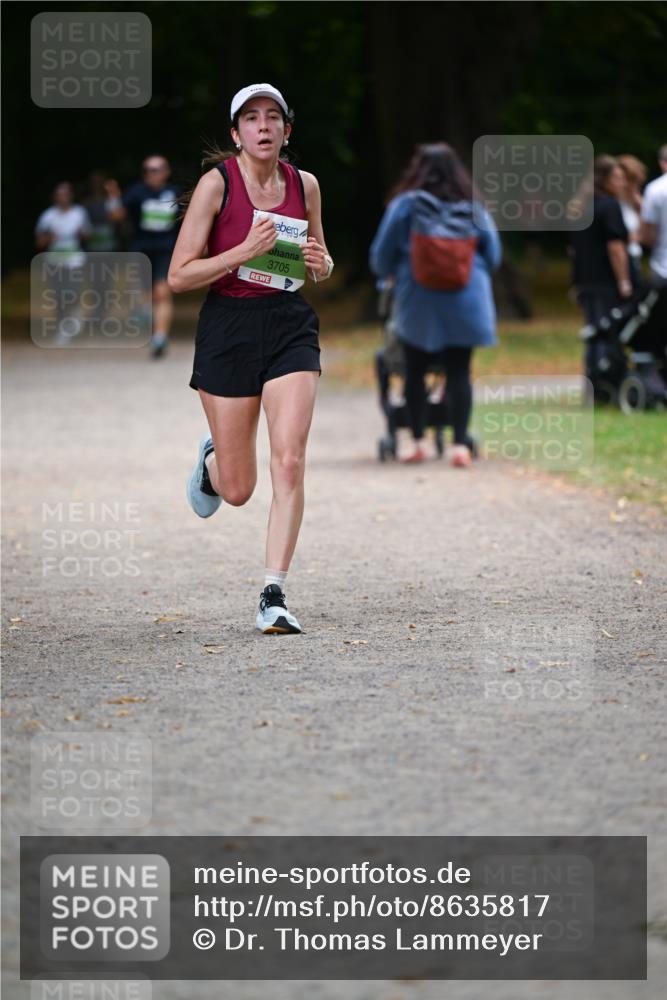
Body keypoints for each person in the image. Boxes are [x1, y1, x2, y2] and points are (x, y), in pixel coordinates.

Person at [168, 83, 333, 635]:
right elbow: (178, 275)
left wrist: (320, 262)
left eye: (273, 118)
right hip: (228, 328)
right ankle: (214, 461)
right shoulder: (217, 185)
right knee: (239, 490)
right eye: (251, 118)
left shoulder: (304, 185)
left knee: (289, 460)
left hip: (289, 325)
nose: (263, 126)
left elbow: (320, 261)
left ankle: (274, 592)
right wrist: (242, 252)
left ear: (288, 130)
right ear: (236, 133)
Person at [369, 142, 501, 466]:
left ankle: (416, 443)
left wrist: (388, 276)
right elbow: (493, 255)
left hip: (418, 299)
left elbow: (381, 257)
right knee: (459, 369)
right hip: (466, 300)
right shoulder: (473, 207)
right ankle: (459, 446)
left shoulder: (405, 206)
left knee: (414, 369)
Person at [105, 156, 181, 358]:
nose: (153, 173)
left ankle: (160, 338)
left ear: (167, 171)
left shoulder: (174, 193)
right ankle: (146, 318)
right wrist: (114, 197)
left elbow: (189, 220)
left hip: (166, 249)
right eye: (149, 170)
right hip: (141, 251)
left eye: (158, 169)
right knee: (145, 296)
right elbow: (116, 216)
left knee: (162, 291)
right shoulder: (137, 192)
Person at [35, 182, 92, 344]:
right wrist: (48, 238)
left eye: (66, 194)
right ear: (55, 197)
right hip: (55, 262)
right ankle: (63, 327)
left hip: (74, 261)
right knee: (58, 295)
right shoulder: (48, 216)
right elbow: (39, 242)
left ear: (71, 196)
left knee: (73, 292)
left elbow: (88, 235)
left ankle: (73, 319)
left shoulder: (79, 213)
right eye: (59, 194)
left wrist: (81, 233)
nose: (63, 198)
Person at [617, 154, 648, 283]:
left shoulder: (635, 204)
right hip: (618, 264)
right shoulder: (610, 204)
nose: (636, 188)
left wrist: (641, 208)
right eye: (633, 183)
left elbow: (644, 233)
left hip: (633, 259)